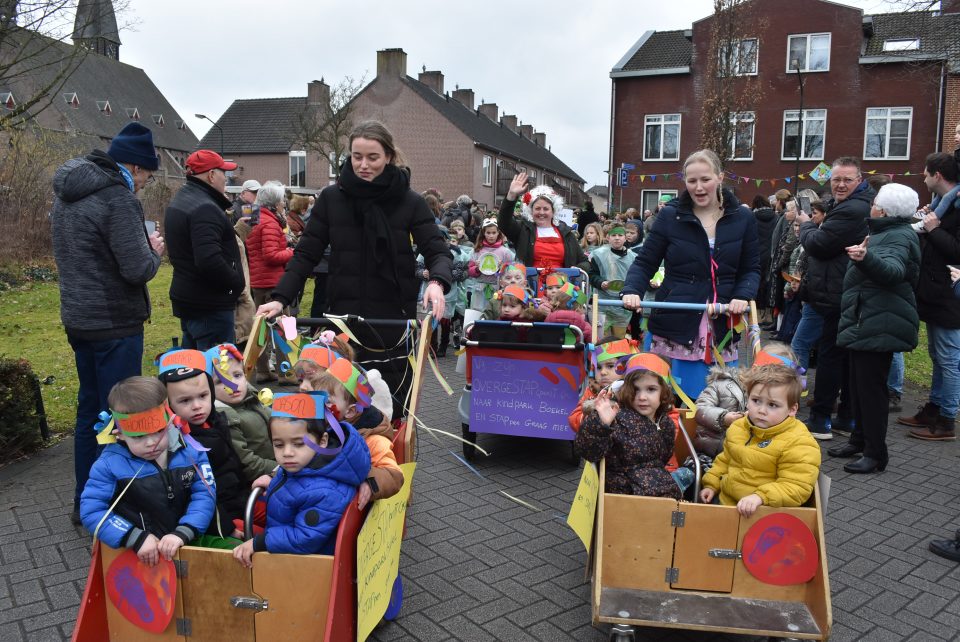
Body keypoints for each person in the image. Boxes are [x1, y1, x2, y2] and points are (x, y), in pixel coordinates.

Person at [258, 121, 452, 418]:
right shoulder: (331, 199)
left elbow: (437, 250)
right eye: (357, 156)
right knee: (340, 405)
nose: (363, 165)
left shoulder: (410, 202)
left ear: (389, 157)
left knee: (391, 409)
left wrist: (437, 282)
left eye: (372, 157)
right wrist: (280, 297)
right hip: (343, 318)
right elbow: (306, 253)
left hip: (392, 320)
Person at [51, 122, 165, 525]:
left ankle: (84, 501)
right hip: (115, 324)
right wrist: (154, 252)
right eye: (148, 176)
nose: (145, 185)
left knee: (90, 413)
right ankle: (113, 506)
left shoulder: (68, 193)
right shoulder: (118, 198)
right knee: (120, 416)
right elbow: (136, 269)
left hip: (79, 319)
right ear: (135, 168)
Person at [621, 149, 759, 400]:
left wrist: (742, 295)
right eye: (692, 180)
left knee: (719, 398)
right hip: (676, 318)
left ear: (720, 177)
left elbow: (751, 268)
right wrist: (632, 290)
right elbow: (645, 261)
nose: (699, 187)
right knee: (667, 397)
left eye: (705, 179)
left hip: (723, 320)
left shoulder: (743, 218)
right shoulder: (670, 216)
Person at [826, 184, 921, 473]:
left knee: (871, 391)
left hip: (879, 322)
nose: (872, 206)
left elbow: (893, 271)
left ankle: (876, 454)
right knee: (858, 387)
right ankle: (859, 441)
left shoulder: (898, 235)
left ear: (885, 210)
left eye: (876, 202)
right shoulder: (885, 231)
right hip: (868, 319)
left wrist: (866, 258)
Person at [80, 377, 214, 564]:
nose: (152, 443)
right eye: (139, 436)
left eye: (159, 431)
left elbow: (205, 494)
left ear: (169, 423)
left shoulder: (191, 451)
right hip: (138, 558)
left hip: (188, 544)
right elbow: (92, 510)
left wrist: (186, 530)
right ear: (120, 435)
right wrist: (134, 537)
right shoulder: (109, 466)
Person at [232, 392, 371, 565]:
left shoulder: (326, 490)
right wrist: (274, 480)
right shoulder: (304, 465)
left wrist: (259, 542)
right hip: (287, 547)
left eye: (298, 444)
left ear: (322, 441)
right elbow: (296, 485)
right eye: (278, 444)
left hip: (307, 565)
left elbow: (306, 538)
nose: (287, 453)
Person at [795, 157, 874, 440]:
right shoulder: (849, 204)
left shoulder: (853, 209)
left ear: (859, 180)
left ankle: (821, 419)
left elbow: (819, 245)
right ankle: (845, 418)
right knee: (844, 357)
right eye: (836, 179)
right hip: (839, 290)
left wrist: (806, 225)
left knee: (831, 357)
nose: (840, 185)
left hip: (837, 294)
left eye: (847, 180)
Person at [699, 362, 821, 515]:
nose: (762, 410)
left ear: (792, 409)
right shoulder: (739, 427)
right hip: (727, 503)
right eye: (756, 401)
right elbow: (725, 460)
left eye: (773, 405)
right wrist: (711, 484)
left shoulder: (799, 442)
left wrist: (760, 497)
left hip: (764, 514)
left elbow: (796, 486)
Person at [898, 152, 960, 441]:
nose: (923, 178)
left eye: (925, 174)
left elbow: (956, 251)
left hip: (950, 297)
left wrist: (933, 229)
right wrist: (926, 223)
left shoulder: (955, 209)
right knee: (937, 355)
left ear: (938, 175)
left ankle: (947, 421)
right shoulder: (942, 206)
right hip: (937, 294)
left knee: (948, 359)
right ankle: (934, 409)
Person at [159, 349, 248, 541]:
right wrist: (227, 527)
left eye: (203, 396)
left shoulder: (217, 420)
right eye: (185, 400)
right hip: (219, 518)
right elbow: (194, 494)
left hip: (241, 500)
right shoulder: (177, 444)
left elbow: (234, 465)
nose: (197, 406)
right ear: (168, 404)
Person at [165, 150, 245, 350]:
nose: (226, 178)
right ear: (211, 175)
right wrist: (236, 283)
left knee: (196, 365)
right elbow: (209, 259)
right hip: (210, 305)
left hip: (192, 299)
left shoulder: (183, 200)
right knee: (217, 366)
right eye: (223, 173)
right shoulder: (205, 207)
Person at [574, 353, 682, 498]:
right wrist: (601, 424)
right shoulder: (615, 417)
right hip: (623, 494)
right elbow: (588, 451)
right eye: (635, 390)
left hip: (658, 492)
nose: (642, 397)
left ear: (664, 392)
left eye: (651, 389)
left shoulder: (666, 423)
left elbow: (663, 458)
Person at [311, 358, 404, 509]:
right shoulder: (321, 424)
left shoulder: (372, 439)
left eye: (326, 401)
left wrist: (369, 481)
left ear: (350, 411)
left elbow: (394, 476)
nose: (316, 404)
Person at [694, 343, 798, 458]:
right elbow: (699, 409)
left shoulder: (780, 400)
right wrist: (723, 418)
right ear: (756, 368)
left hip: (751, 457)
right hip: (712, 452)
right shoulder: (724, 385)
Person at [497, 171, 589, 293]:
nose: (541, 212)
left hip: (560, 291)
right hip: (530, 289)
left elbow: (584, 262)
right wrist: (511, 195)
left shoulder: (566, 233)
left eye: (546, 209)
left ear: (553, 211)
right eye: (537, 208)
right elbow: (503, 222)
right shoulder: (523, 230)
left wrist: (576, 269)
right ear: (531, 211)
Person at [245, 181, 294, 382]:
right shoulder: (271, 223)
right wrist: (291, 252)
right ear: (274, 203)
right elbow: (271, 255)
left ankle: (263, 370)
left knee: (260, 330)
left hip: (257, 281)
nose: (283, 204)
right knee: (285, 329)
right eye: (282, 201)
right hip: (274, 283)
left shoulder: (253, 219)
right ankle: (286, 372)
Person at [205, 344, 275, 482]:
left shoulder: (253, 399)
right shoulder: (225, 417)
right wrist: (281, 468)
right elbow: (247, 464)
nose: (232, 385)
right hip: (263, 479)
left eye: (237, 375)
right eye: (221, 381)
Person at [568, 338, 640, 433]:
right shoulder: (594, 390)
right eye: (598, 367)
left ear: (627, 367)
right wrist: (593, 411)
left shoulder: (637, 391)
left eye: (610, 366)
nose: (603, 372)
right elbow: (574, 420)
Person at [589, 224, 634, 337]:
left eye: (620, 235)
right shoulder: (598, 255)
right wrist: (601, 283)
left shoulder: (633, 257)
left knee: (619, 341)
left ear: (625, 238)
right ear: (608, 237)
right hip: (602, 303)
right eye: (613, 235)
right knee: (600, 340)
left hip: (623, 305)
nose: (617, 238)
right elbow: (592, 274)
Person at [467, 218, 514, 312]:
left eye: (493, 232)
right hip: (479, 289)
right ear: (483, 233)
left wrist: (502, 268)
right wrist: (476, 268)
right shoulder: (476, 250)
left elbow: (511, 272)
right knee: (477, 313)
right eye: (488, 233)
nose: (491, 236)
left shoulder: (505, 252)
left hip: (497, 290)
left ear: (498, 233)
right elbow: (469, 271)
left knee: (494, 312)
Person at [751, 194, 777, 322]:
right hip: (771, 254)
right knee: (769, 283)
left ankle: (757, 314)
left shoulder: (752, 217)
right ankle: (768, 315)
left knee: (757, 282)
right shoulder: (776, 217)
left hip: (757, 254)